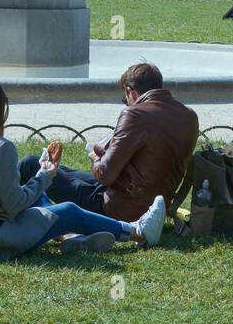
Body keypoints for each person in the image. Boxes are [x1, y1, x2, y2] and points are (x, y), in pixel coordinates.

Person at [0, 75, 168, 259]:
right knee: (68, 210)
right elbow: (13, 206)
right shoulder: (0, 147)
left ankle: (70, 237)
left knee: (40, 198)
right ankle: (138, 231)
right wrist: (45, 176)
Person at [18, 63, 198, 225]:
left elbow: (104, 175)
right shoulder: (189, 116)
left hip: (120, 209)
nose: (127, 103)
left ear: (130, 91)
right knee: (60, 171)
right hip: (154, 204)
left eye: (125, 98)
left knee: (31, 164)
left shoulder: (135, 115)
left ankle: (7, 215)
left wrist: (95, 157)